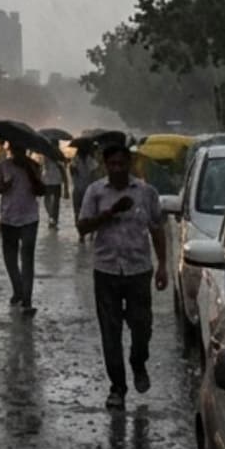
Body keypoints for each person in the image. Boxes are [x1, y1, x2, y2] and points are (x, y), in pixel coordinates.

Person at [77, 143, 168, 411]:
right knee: (110, 332)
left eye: (121, 164)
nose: (117, 169)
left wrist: (162, 265)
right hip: (106, 271)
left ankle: (138, 362)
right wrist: (110, 213)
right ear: (106, 166)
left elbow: (157, 230)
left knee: (142, 327)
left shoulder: (146, 192)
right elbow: (82, 226)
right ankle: (117, 387)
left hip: (139, 270)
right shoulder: (95, 192)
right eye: (112, 164)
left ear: (129, 164)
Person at [0, 143, 46, 315]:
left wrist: (30, 172)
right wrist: (4, 186)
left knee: (27, 259)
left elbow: (41, 190)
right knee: (10, 258)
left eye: (22, 150)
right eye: (16, 150)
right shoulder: (3, 166)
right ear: (12, 150)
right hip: (8, 218)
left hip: (29, 219)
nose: (19, 152)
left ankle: (27, 300)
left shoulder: (34, 166)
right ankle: (17, 288)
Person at [70, 146, 99, 241]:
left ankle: (85, 233)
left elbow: (94, 174)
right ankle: (83, 233)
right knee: (80, 212)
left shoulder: (87, 160)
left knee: (81, 212)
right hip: (83, 190)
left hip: (83, 190)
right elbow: (94, 175)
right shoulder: (85, 160)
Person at [40, 152, 67, 229]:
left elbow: (63, 168)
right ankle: (52, 217)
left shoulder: (57, 156)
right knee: (52, 201)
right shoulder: (48, 155)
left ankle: (52, 218)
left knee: (52, 201)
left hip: (52, 181)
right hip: (49, 181)